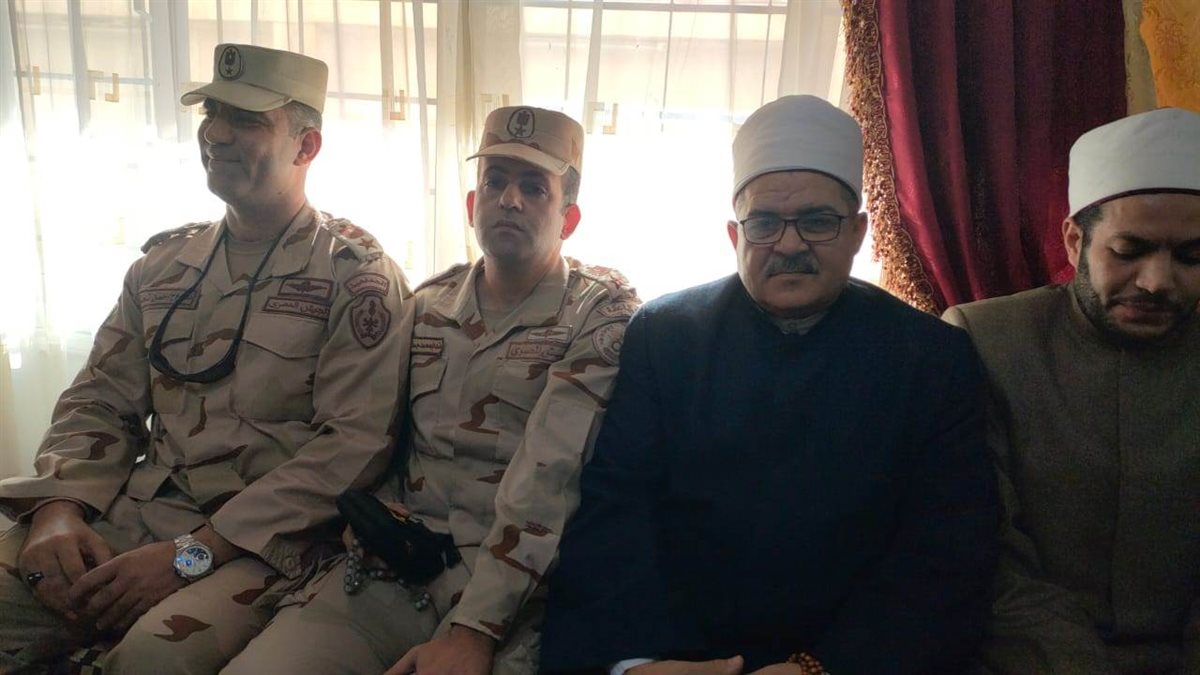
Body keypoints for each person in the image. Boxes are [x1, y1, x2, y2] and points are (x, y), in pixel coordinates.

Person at [539, 95, 1000, 675]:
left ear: (858, 232)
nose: (789, 244)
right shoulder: (665, 334)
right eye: (764, 224)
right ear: (735, 234)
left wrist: (821, 667)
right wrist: (637, 662)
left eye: (817, 221)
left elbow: (947, 552)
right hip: (677, 651)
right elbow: (617, 510)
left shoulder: (931, 358)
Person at [0, 43, 410, 674]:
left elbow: (353, 447)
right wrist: (58, 509)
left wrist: (191, 555)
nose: (215, 133)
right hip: (139, 515)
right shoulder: (162, 266)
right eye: (212, 112)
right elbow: (99, 401)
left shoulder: (356, 279)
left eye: (246, 119)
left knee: (153, 658)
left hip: (261, 543)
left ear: (306, 146)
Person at [224, 105, 640, 675]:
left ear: (568, 218)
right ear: (471, 206)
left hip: (512, 596)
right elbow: (372, 435)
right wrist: (364, 519)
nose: (509, 200)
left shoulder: (599, 315)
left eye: (533, 187)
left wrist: (475, 631)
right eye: (494, 182)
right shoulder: (425, 305)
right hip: (395, 568)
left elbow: (550, 475)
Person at [943, 107, 1200, 675]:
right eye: (1129, 251)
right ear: (1074, 240)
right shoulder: (987, 342)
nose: (1158, 282)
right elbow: (989, 555)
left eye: (1191, 257)